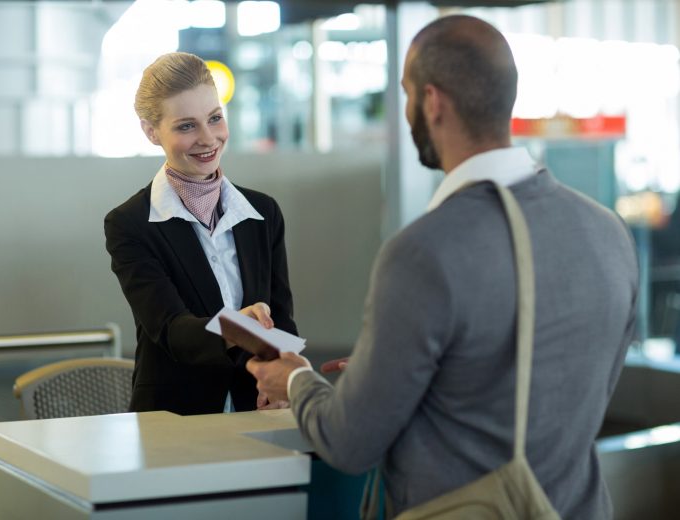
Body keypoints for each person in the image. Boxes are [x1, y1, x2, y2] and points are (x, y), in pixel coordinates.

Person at [247, 15, 638, 519]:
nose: (406, 109)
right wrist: (398, 371)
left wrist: (296, 381)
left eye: (407, 94)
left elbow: (350, 444)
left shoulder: (424, 251)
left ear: (432, 102)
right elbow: (560, 382)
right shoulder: (607, 231)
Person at [105, 52, 297, 415]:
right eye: (186, 126)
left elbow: (281, 317)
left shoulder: (263, 213)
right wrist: (238, 327)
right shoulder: (129, 224)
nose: (208, 139)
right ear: (151, 132)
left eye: (215, 118)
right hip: (173, 416)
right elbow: (171, 330)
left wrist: (282, 381)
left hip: (256, 407)